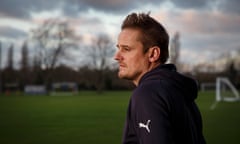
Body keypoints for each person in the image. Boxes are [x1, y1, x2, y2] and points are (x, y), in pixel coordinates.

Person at [114, 12, 206, 144]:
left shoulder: (148, 93)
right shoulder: (177, 90)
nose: (117, 56)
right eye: (119, 48)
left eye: (126, 49)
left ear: (153, 54)